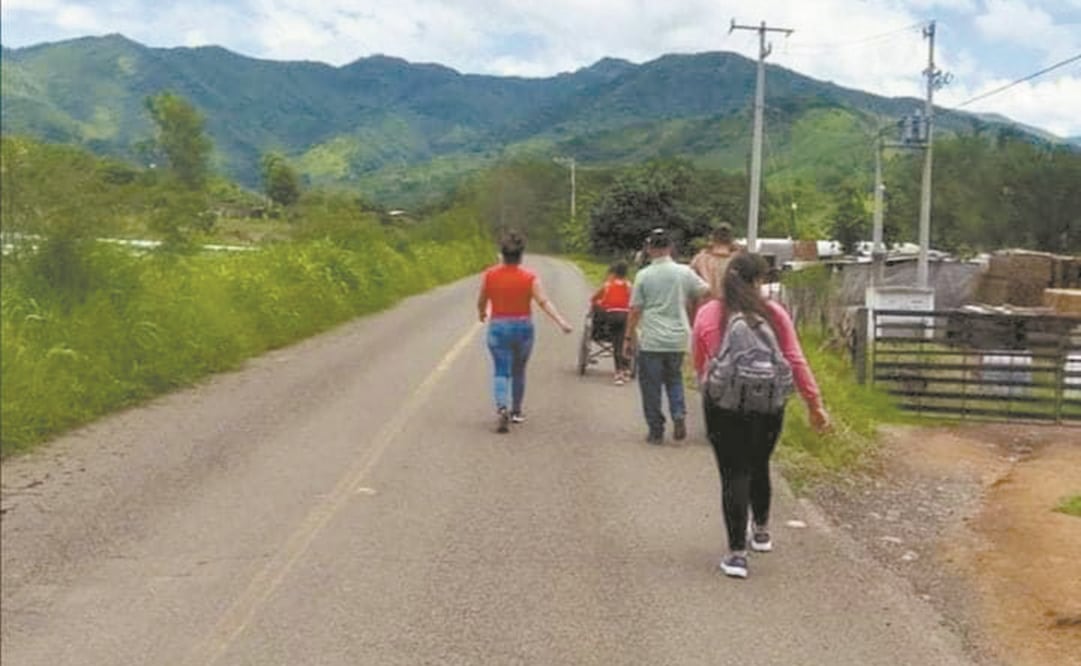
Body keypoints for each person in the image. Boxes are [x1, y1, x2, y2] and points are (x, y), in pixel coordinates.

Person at [691, 252, 831, 579]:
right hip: (769, 404)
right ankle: (763, 531)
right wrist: (814, 404)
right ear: (760, 281)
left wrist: (710, 389)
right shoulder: (774, 314)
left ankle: (737, 555)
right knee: (758, 463)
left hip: (724, 404)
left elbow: (699, 363)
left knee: (733, 473)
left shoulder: (709, 313)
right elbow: (795, 360)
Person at [477, 231, 573, 433]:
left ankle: (502, 406)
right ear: (521, 256)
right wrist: (561, 321)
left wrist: (481, 313)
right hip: (523, 327)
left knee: (501, 370)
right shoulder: (530, 278)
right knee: (519, 371)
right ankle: (516, 411)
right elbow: (543, 302)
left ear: (502, 254)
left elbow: (482, 299)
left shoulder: (490, 275)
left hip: (498, 326)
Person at [623, 228, 710, 444]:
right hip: (678, 337)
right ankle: (678, 413)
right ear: (670, 248)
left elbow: (635, 310)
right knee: (674, 379)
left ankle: (656, 429)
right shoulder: (683, 272)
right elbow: (706, 290)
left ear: (650, 249)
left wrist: (628, 338)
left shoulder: (643, 275)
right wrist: (687, 298)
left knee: (650, 386)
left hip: (652, 338)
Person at [590, 261, 633, 385]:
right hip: (625, 315)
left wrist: (598, 305)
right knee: (625, 339)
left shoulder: (608, 285)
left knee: (617, 344)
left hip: (611, 315)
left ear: (613, 272)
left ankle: (618, 372)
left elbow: (593, 299)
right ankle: (626, 368)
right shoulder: (629, 285)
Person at [689, 222, 739, 299]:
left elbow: (691, 286)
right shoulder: (739, 261)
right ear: (731, 239)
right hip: (731, 305)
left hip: (705, 305)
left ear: (713, 238)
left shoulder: (699, 259)